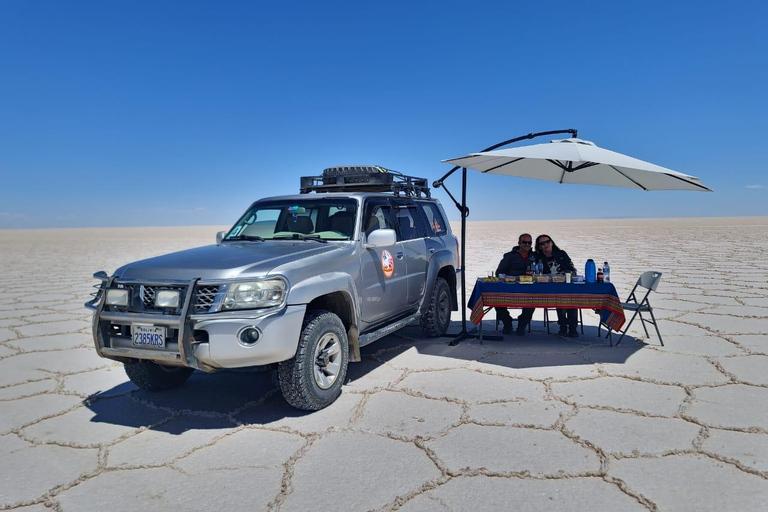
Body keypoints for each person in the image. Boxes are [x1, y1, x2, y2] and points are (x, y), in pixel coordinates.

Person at [535, 234, 578, 337]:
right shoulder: (538, 258)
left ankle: (572, 328)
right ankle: (563, 325)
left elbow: (571, 269)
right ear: (539, 246)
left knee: (571, 298)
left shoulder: (561, 254)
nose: (545, 245)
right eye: (542, 243)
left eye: (547, 242)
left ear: (552, 242)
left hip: (565, 284)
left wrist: (566, 275)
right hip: (548, 287)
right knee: (560, 298)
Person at [495, 233, 535, 335]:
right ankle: (507, 322)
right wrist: (513, 278)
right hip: (510, 287)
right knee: (495, 300)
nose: (527, 245)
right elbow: (499, 272)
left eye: (529, 242)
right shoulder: (509, 256)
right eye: (524, 242)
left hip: (529, 289)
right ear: (519, 243)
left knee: (534, 301)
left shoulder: (535, 256)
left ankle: (522, 325)